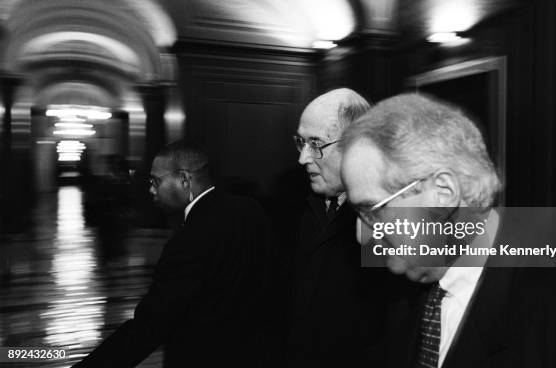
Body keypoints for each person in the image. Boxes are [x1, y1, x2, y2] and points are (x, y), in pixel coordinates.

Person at [340, 93, 556, 368]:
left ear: (443, 193)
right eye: (358, 214)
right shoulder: (391, 297)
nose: (363, 233)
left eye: (373, 210)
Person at [73, 140, 268, 368]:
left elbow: (149, 326)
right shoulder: (250, 210)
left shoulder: (187, 242)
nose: (151, 190)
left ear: (184, 180)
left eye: (156, 181)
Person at [286, 88, 388, 367]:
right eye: (300, 142)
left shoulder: (390, 215)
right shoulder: (299, 206)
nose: (303, 158)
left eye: (316, 144)